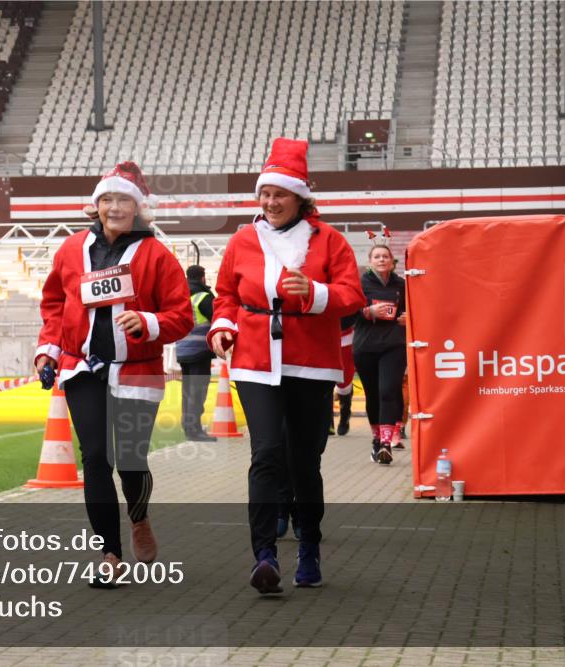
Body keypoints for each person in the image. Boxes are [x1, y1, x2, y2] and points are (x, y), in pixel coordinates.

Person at [208, 138, 364, 593]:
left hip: (310, 363)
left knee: (304, 460)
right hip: (255, 361)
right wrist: (223, 327)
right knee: (266, 454)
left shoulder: (329, 240)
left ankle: (310, 545)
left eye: (280, 194)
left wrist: (314, 293)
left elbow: (352, 296)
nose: (271, 202)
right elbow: (227, 296)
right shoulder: (242, 239)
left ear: (300, 197)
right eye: (265, 194)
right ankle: (264, 556)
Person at [35, 162, 193, 587]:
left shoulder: (158, 254)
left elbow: (181, 314)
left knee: (130, 460)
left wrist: (148, 322)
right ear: (96, 205)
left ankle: (138, 517)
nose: (114, 207)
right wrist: (48, 350)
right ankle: (109, 553)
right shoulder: (71, 249)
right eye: (107, 199)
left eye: (123, 199)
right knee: (96, 459)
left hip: (137, 370)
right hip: (83, 369)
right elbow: (53, 303)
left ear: (138, 207)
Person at [353, 230, 407, 465]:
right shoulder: (359, 283)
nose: (382, 260)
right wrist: (367, 312)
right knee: (373, 394)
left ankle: (386, 443)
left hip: (394, 345)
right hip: (365, 346)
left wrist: (409, 318)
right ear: (370, 261)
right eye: (377, 257)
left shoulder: (402, 285)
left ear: (392, 261)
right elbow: (347, 312)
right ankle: (376, 439)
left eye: (385, 256)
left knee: (388, 390)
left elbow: (416, 308)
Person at [175, 265, 217, 442]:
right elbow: (217, 319)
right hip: (199, 351)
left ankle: (189, 427)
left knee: (188, 391)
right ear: (203, 277)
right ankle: (195, 430)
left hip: (183, 349)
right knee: (198, 391)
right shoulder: (204, 297)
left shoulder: (180, 296)